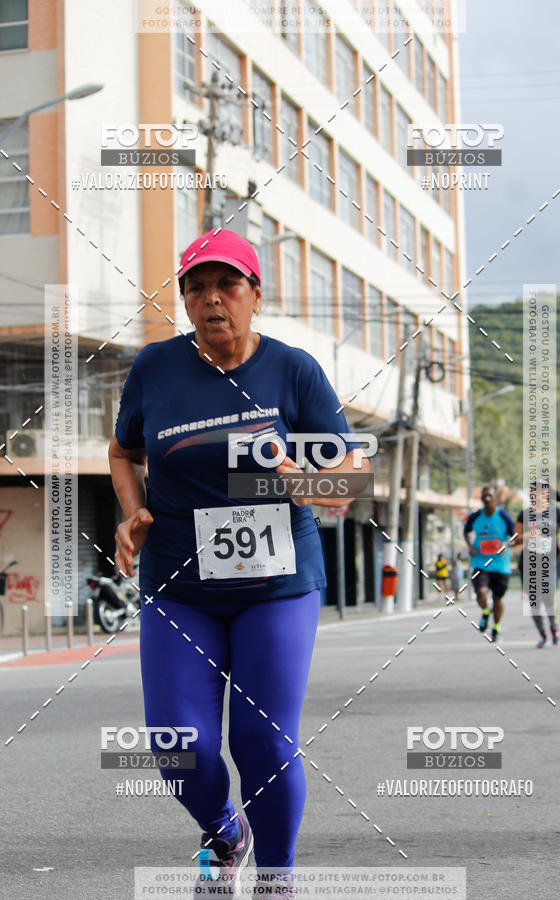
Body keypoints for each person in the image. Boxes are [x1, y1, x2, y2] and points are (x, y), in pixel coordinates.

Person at [108, 229, 368, 898]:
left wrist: (307, 480)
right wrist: (133, 511)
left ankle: (276, 880)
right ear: (184, 301)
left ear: (256, 294)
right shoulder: (155, 367)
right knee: (178, 743)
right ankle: (225, 832)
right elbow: (122, 451)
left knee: (263, 742)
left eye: (227, 284)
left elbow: (353, 473)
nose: (212, 298)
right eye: (196, 287)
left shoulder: (292, 369)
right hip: (178, 582)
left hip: (276, 584)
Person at [514, 482, 560, 648]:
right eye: (534, 491)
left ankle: (554, 628)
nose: (537, 493)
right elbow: (514, 540)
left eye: (541, 490)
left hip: (552, 562)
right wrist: (527, 534)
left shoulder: (557, 512)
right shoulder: (524, 514)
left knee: (548, 594)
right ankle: (543, 634)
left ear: (547, 494)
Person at [463, 486, 515, 642]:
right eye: (484, 496)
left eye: (490, 496)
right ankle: (486, 611)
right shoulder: (475, 517)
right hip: (481, 563)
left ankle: (496, 628)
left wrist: (506, 544)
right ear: (481, 499)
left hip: (500, 565)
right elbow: (466, 531)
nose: (487, 499)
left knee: (498, 599)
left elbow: (515, 536)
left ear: (495, 498)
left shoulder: (503, 516)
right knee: (481, 592)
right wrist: (470, 545)